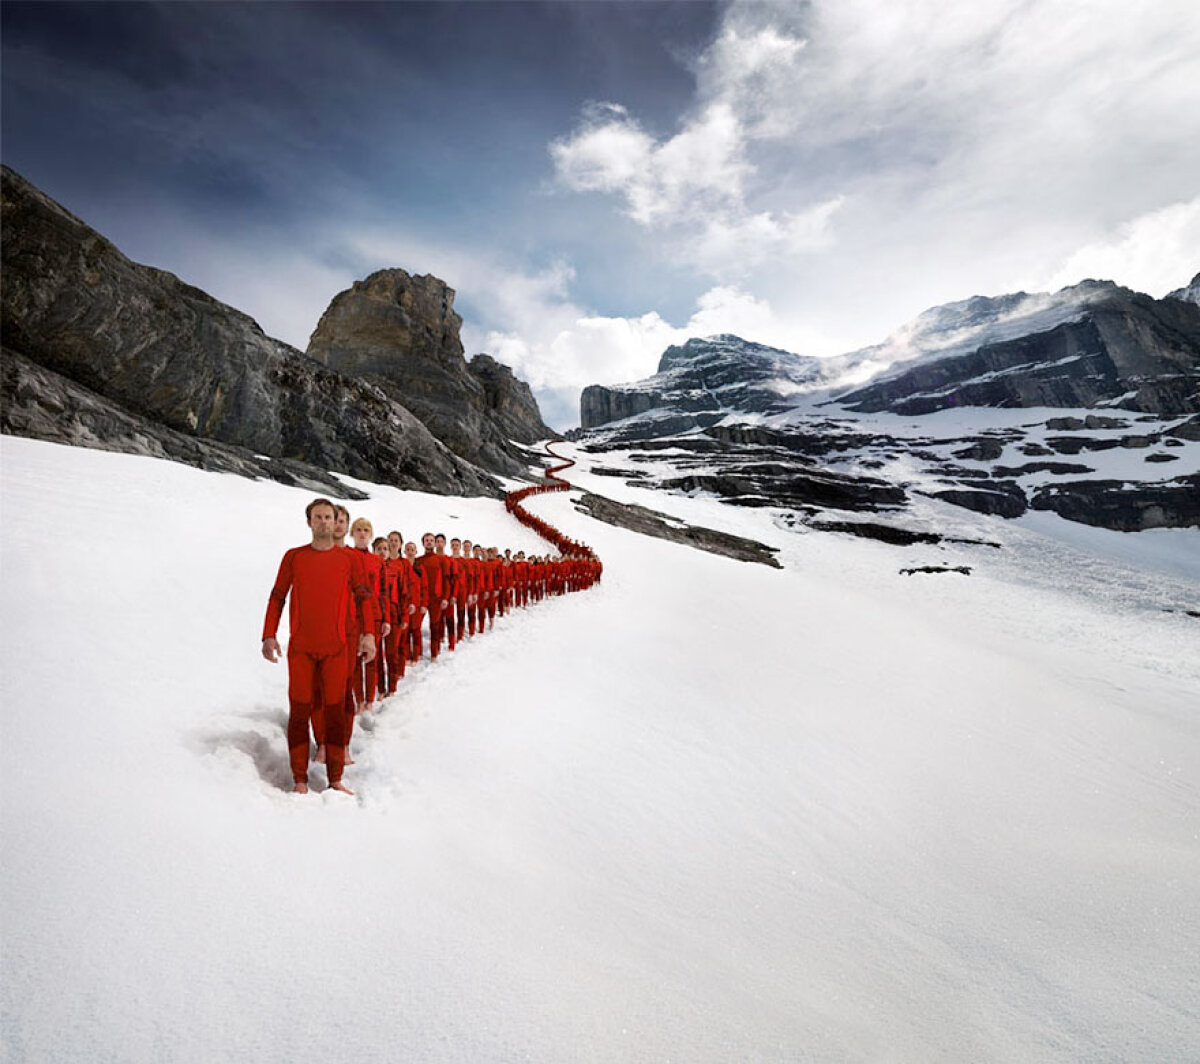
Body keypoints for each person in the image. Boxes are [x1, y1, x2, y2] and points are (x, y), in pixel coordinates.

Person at [262, 498, 376, 795]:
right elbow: (277, 596)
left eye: (329, 517)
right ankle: (299, 779)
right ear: (309, 522)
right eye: (318, 517)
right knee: (299, 710)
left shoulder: (348, 559)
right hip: (301, 649)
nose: (324, 522)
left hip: (336, 648)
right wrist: (268, 634)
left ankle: (336, 778)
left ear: (336, 521)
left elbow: (364, 598)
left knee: (335, 711)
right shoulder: (294, 557)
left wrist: (369, 635)